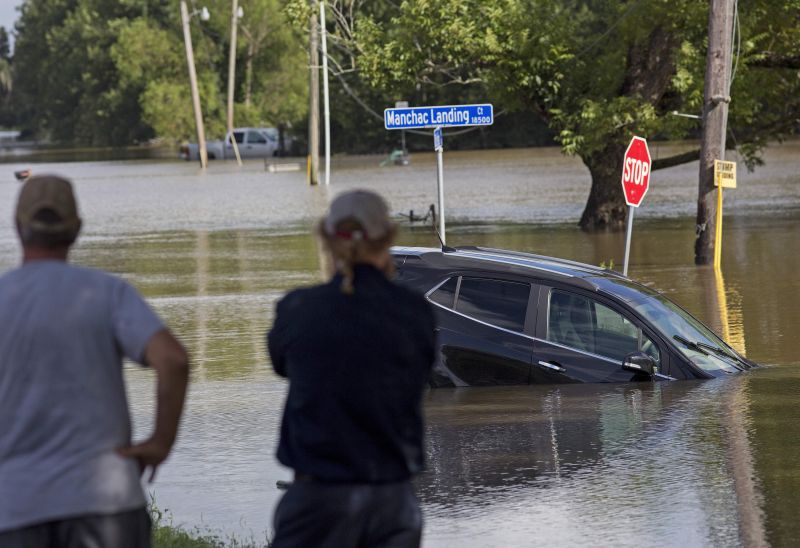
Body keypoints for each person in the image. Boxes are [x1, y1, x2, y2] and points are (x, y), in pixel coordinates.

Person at [0, 175, 189, 548]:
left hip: (15, 505)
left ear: (17, 226)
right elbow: (173, 359)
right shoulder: (108, 292)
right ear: (77, 229)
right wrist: (160, 443)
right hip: (107, 504)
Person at [267, 189, 436, 548]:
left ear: (327, 238)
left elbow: (281, 364)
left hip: (316, 500)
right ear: (388, 236)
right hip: (392, 501)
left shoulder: (297, 309)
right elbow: (420, 372)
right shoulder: (414, 312)